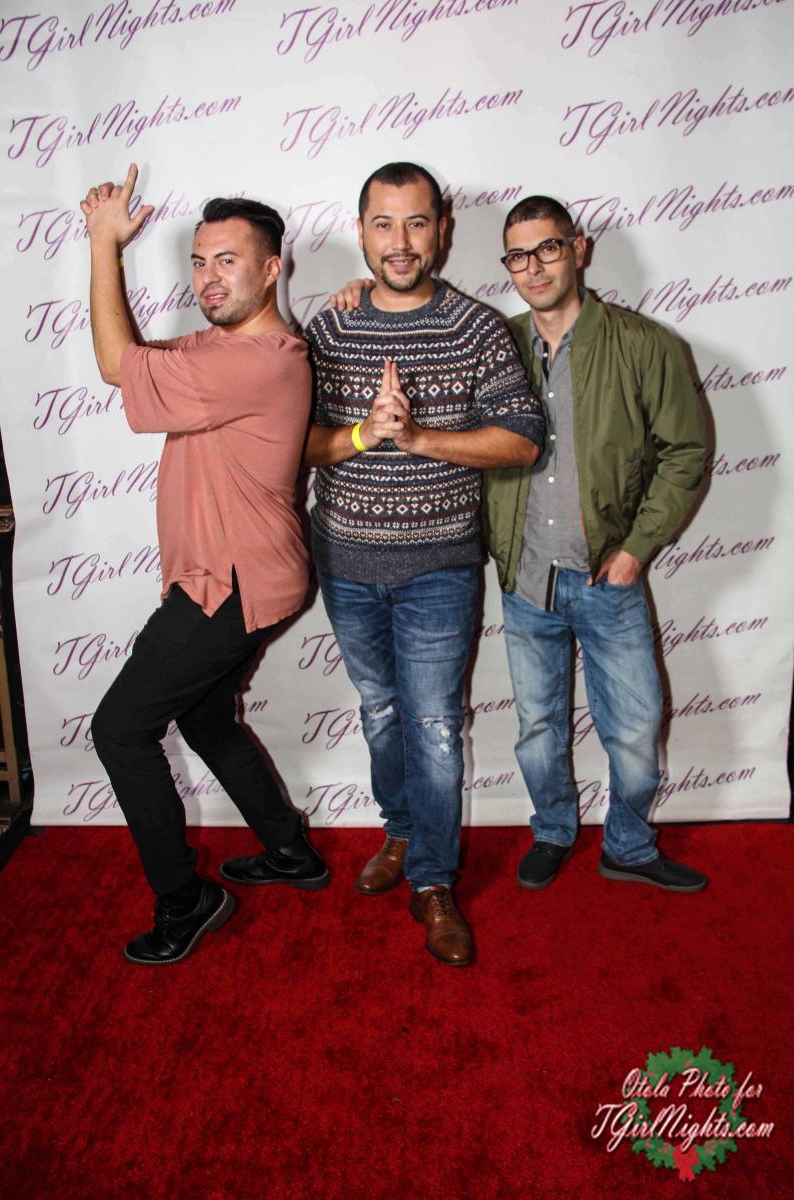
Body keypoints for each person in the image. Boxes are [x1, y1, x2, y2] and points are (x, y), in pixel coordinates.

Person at [81, 164, 328, 967]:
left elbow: (115, 366)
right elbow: (135, 356)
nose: (208, 277)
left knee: (120, 730)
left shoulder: (258, 359)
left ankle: (187, 901)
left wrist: (104, 245)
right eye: (198, 261)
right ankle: (290, 850)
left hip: (230, 583)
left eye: (228, 260)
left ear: (271, 268)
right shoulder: (222, 346)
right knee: (207, 718)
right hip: (244, 574)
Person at [304, 162, 544, 966]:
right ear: (361, 231)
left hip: (439, 567)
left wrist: (417, 438)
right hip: (345, 563)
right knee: (380, 711)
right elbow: (295, 443)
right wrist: (364, 435)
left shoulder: (478, 328)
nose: (399, 241)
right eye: (383, 223)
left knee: (435, 726)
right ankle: (402, 832)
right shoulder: (331, 329)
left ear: (442, 229)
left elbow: (522, 439)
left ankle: (434, 880)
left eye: (416, 222)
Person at [482, 195, 708, 893]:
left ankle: (629, 845)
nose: (534, 267)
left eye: (548, 248)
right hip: (526, 582)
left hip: (609, 579)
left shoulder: (644, 344)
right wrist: (361, 290)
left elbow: (686, 452)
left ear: (578, 249)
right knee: (537, 727)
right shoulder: (495, 346)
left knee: (635, 730)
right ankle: (553, 830)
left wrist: (636, 548)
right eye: (518, 255)